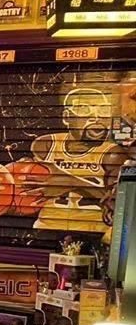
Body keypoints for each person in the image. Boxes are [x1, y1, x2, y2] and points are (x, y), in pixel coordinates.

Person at [27, 87, 132, 234]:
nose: (95, 117)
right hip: (46, 228)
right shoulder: (46, 144)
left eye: (103, 110)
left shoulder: (112, 154)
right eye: (83, 109)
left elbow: (117, 202)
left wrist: (73, 183)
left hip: (93, 232)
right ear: (66, 117)